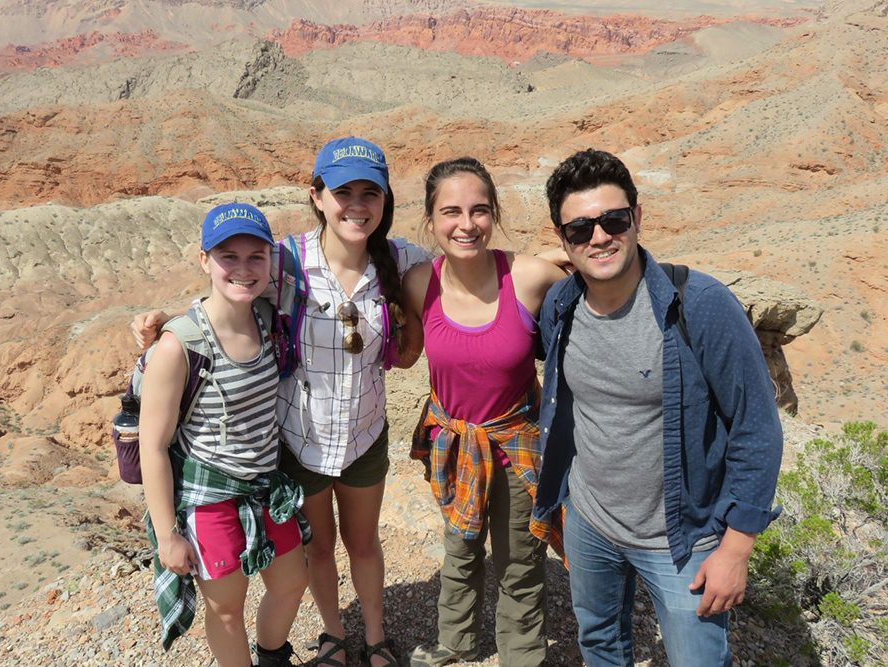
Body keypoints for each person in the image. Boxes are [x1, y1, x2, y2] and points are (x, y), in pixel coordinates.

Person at [134, 137, 431, 667]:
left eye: (372, 193)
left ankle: (378, 636)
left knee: (363, 545)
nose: (357, 205)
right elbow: (229, 290)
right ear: (317, 196)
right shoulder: (287, 262)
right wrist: (163, 326)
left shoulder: (401, 259)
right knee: (317, 550)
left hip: (364, 436)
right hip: (298, 444)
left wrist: (542, 261)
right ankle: (335, 637)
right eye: (343, 192)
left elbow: (464, 272)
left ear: (386, 201)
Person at [532, 149, 783, 666]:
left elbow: (756, 428)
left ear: (637, 218)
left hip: (683, 538)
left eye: (613, 220)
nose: (599, 237)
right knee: (600, 644)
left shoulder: (699, 304)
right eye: (579, 229)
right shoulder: (561, 305)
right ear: (563, 239)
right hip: (590, 521)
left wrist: (736, 551)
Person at [403, 157, 567, 667]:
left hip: (516, 440)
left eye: (479, 210)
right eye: (450, 211)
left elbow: (597, 266)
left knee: (520, 558)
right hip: (451, 440)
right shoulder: (417, 283)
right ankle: (456, 642)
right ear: (431, 221)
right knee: (460, 546)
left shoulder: (530, 276)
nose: (466, 224)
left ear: (494, 214)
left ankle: (521, 655)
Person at [139, 203, 309, 667]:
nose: (243, 268)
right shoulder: (179, 346)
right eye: (227, 257)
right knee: (227, 608)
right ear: (204, 261)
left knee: (291, 582)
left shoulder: (267, 318)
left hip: (266, 486)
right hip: (211, 497)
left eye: (256, 257)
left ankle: (273, 656)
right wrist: (167, 534)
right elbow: (152, 446)